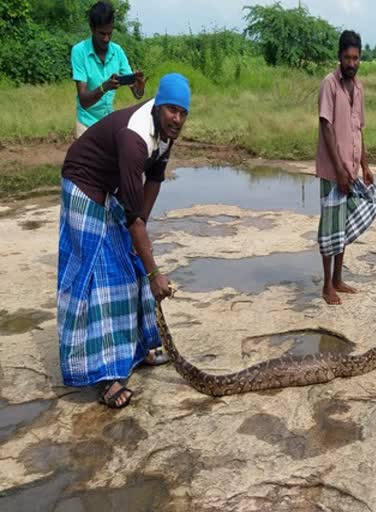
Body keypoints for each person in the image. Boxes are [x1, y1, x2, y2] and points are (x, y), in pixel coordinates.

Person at [57, 73, 191, 408]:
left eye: (183, 112)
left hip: (108, 188)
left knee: (130, 266)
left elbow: (155, 180)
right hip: (83, 185)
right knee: (102, 279)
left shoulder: (164, 133)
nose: (177, 118)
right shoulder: (135, 138)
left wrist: (141, 231)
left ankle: (137, 349)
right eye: (172, 110)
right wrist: (154, 272)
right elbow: (132, 218)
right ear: (159, 106)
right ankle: (104, 377)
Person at [315, 30, 376, 305]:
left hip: (352, 170)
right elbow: (326, 126)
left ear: (360, 58)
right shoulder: (329, 84)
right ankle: (327, 284)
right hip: (333, 171)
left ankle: (339, 279)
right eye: (347, 58)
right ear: (339, 57)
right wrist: (339, 169)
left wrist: (364, 165)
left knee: (345, 224)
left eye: (355, 58)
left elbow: (358, 130)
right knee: (330, 227)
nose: (351, 63)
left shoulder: (359, 88)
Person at [71, 1, 146, 138]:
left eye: (109, 33)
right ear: (92, 28)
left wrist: (139, 88)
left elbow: (136, 94)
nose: (106, 39)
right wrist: (104, 87)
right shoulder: (79, 51)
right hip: (86, 123)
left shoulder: (117, 51)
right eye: (102, 34)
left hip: (108, 122)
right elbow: (84, 101)